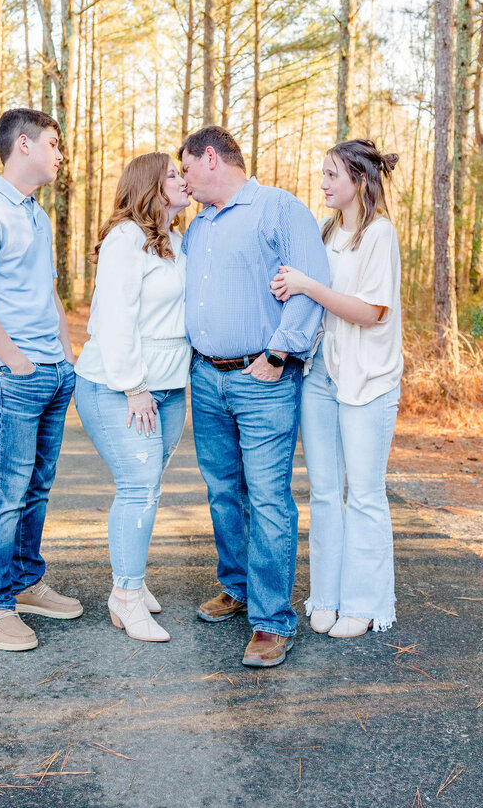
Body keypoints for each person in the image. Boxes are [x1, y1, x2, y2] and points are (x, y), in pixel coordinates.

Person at [180, 126, 329, 668]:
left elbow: (311, 286)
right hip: (206, 377)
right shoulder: (198, 226)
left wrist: (277, 355)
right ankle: (238, 587)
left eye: (188, 169)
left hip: (261, 377)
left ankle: (271, 622)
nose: (185, 181)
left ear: (212, 158)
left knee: (268, 498)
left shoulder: (278, 209)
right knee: (223, 490)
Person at [0, 108, 82, 652]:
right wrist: (17, 362)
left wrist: (65, 357)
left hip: (50, 371)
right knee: (6, 491)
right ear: (23, 144)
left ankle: (24, 583)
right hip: (9, 375)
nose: (60, 154)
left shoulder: (36, 214)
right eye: (53, 143)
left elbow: (47, 293)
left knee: (36, 487)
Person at [270, 139, 403, 638]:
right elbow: (311, 297)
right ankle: (325, 596)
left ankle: (366, 605)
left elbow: (371, 312)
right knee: (324, 491)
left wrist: (307, 285)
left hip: (367, 380)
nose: (323, 183)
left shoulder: (379, 235)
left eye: (331, 176)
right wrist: (290, 286)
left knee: (365, 494)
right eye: (322, 174)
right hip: (319, 375)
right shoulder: (325, 231)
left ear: (359, 182)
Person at [74, 153, 192, 643]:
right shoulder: (126, 239)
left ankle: (132, 582)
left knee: (150, 485)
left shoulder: (175, 240)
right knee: (138, 486)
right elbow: (114, 320)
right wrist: (134, 386)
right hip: (119, 386)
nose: (184, 180)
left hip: (169, 387)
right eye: (173, 175)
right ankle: (124, 595)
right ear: (150, 185)